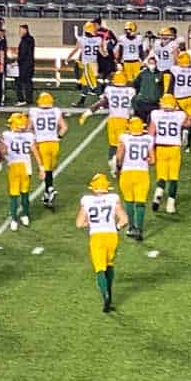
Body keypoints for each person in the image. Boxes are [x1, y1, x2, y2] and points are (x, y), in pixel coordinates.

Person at [76, 173, 128, 313]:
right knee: (109, 265)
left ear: (93, 188)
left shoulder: (87, 201)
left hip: (97, 236)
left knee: (100, 268)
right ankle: (109, 296)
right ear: (106, 187)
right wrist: (115, 227)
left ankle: (105, 295)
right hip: (111, 236)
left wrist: (91, 222)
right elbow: (124, 220)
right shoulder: (113, 199)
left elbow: (79, 223)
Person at [79, 71, 135, 174]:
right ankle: (118, 166)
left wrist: (88, 112)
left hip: (112, 119)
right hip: (124, 120)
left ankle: (113, 163)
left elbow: (102, 103)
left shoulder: (110, 90)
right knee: (123, 145)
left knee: (113, 145)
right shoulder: (130, 90)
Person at [148, 93, 191, 214]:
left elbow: (151, 134)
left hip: (161, 147)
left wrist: (150, 152)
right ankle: (170, 204)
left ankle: (159, 192)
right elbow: (188, 123)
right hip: (174, 148)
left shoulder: (155, 114)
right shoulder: (180, 115)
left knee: (162, 176)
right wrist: (179, 108)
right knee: (173, 178)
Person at [116, 117, 154, 241]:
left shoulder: (124, 137)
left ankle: (131, 227)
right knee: (140, 203)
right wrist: (147, 159)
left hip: (127, 173)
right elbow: (152, 160)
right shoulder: (149, 139)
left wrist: (118, 167)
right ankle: (140, 230)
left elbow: (119, 156)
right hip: (142, 173)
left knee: (129, 201)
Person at [2, 113, 42, 230]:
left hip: (14, 166)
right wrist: (41, 167)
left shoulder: (6, 135)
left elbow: (2, 149)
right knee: (25, 192)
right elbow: (35, 151)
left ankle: (14, 219)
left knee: (14, 195)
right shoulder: (29, 136)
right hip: (26, 166)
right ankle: (25, 215)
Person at [29, 92, 68, 209]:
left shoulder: (34, 112)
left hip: (42, 143)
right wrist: (58, 137)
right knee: (49, 169)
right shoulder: (56, 111)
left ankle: (50, 190)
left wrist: (33, 138)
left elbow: (28, 128)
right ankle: (47, 192)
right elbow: (64, 127)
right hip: (54, 143)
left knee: (44, 170)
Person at [170, 51, 191, 152]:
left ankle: (179, 140)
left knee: (179, 120)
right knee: (189, 120)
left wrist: (176, 54)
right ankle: (188, 146)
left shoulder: (176, 69)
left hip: (180, 98)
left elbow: (174, 64)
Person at [69, 21, 105, 107]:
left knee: (93, 84)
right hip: (94, 64)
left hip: (87, 65)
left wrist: (68, 58)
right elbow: (102, 52)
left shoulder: (82, 40)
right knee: (85, 83)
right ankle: (81, 101)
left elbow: (76, 50)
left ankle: (104, 102)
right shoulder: (98, 39)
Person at [131, 55, 163, 123]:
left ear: (156, 64)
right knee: (142, 121)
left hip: (154, 103)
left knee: (153, 122)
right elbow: (135, 84)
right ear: (147, 64)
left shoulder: (160, 74)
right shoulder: (142, 73)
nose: (152, 65)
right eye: (150, 63)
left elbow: (161, 87)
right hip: (143, 102)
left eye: (153, 63)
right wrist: (139, 94)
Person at [16, 24, 34, 106]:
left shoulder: (26, 40)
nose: (19, 32)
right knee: (27, 82)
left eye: (21, 30)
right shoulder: (28, 39)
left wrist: (17, 61)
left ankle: (23, 99)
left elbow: (23, 53)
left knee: (22, 82)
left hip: (25, 65)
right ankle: (28, 99)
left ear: (25, 30)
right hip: (28, 64)